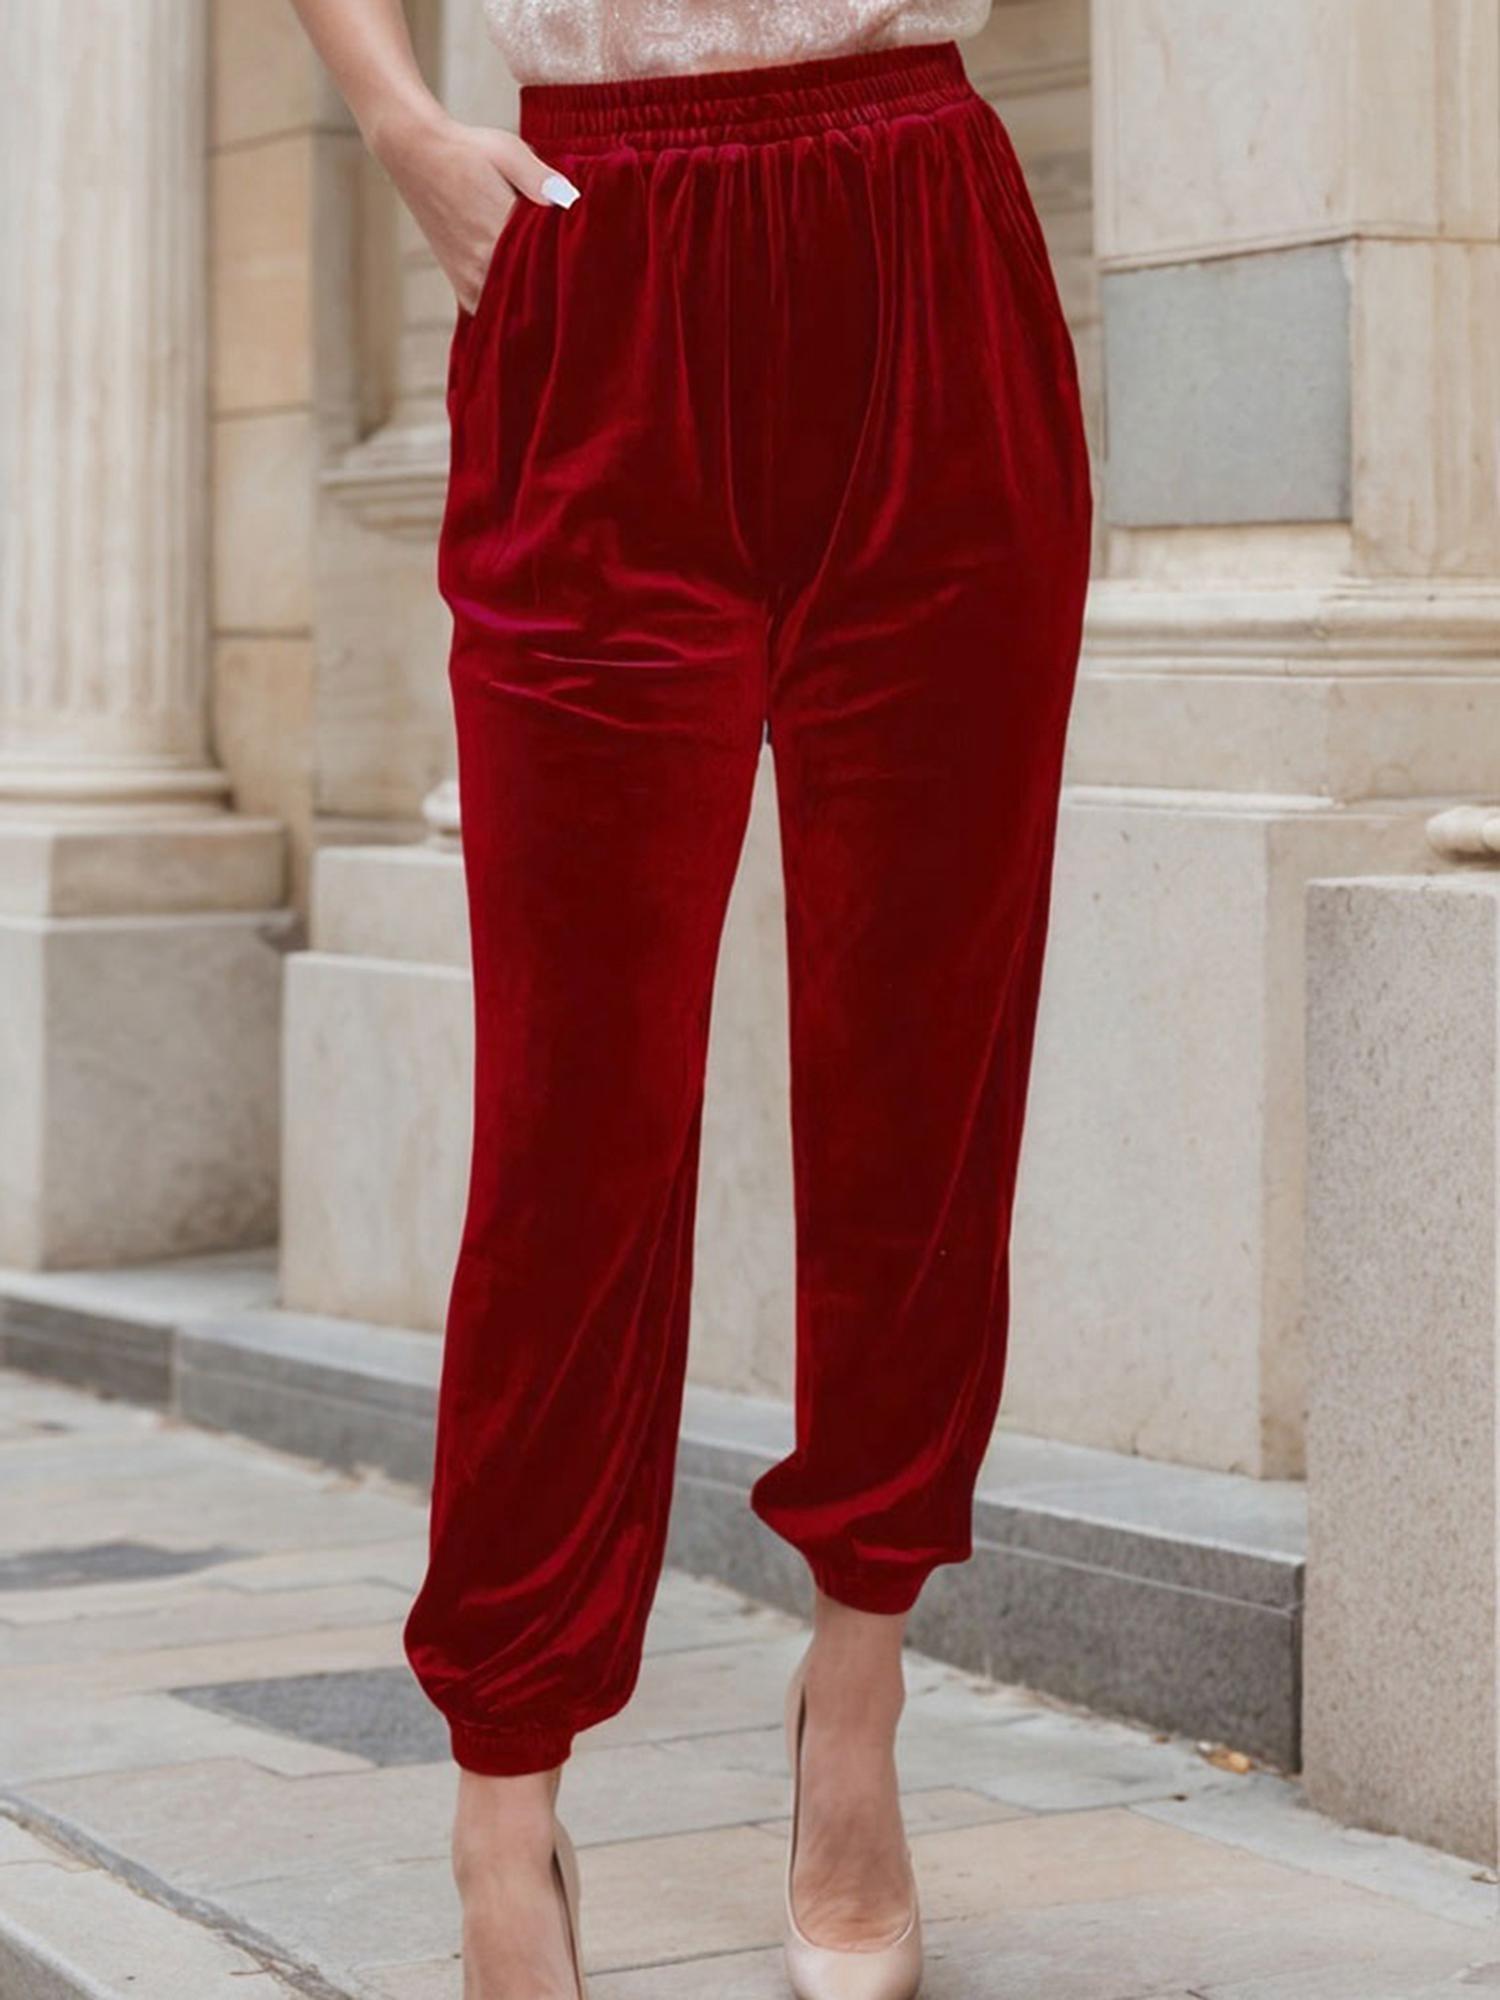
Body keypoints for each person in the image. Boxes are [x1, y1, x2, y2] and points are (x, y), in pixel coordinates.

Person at [286, 3, 1092, 1994]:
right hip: (601, 255)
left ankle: (856, 1699)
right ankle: (504, 1797)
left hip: (920, 239)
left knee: (923, 1058)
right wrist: (398, 122)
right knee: (576, 1109)